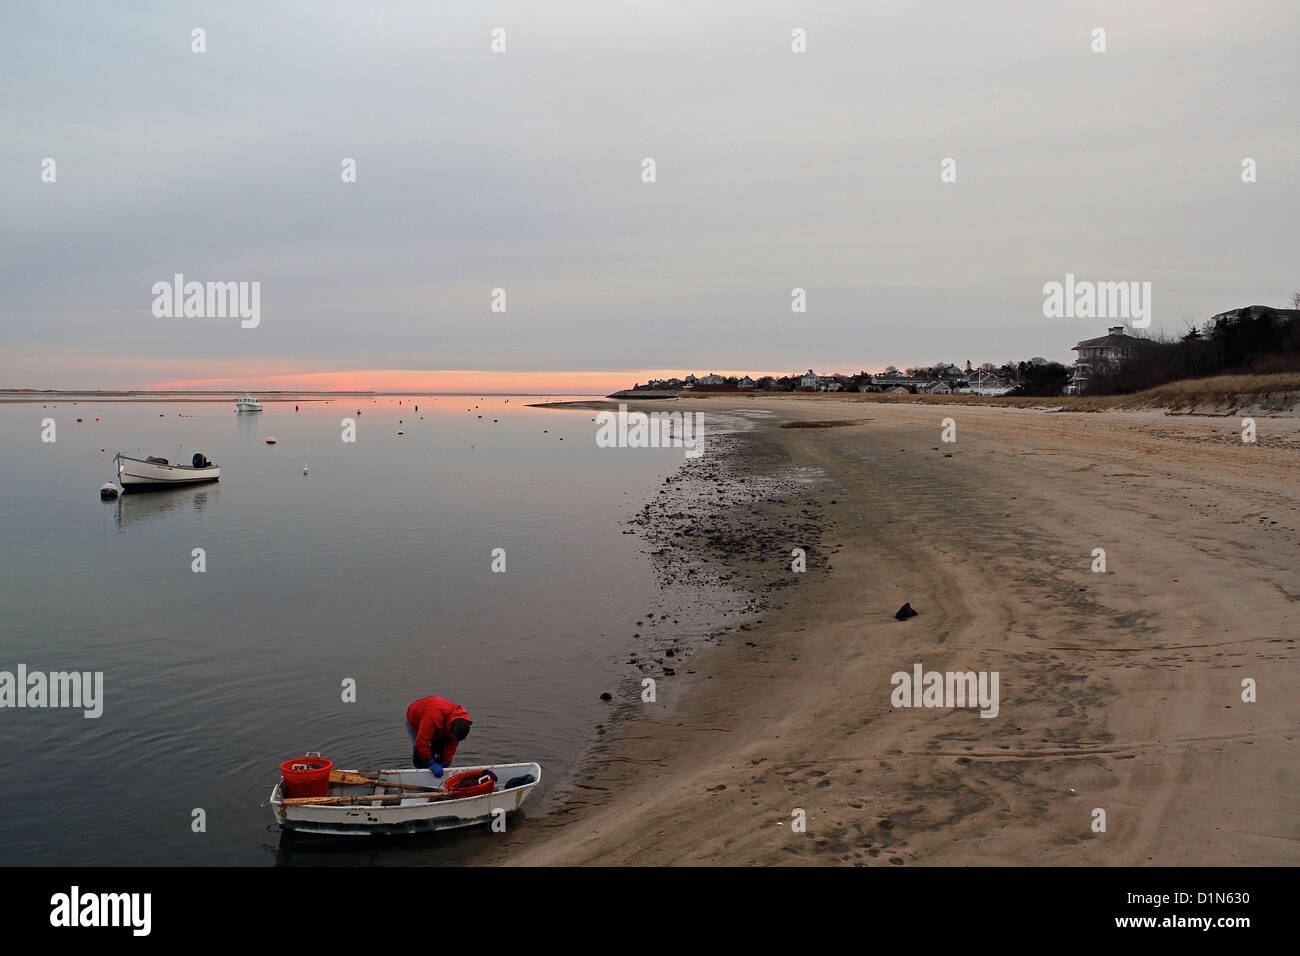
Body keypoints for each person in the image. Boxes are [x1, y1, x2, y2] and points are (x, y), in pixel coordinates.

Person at [405, 696, 472, 778]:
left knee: (440, 752)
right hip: (416, 720)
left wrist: (445, 763)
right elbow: (422, 742)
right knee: (420, 757)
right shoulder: (434, 716)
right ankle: (422, 775)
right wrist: (430, 762)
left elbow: (451, 746)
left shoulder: (460, 725)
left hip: (441, 726)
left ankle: (436, 772)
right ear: (450, 729)